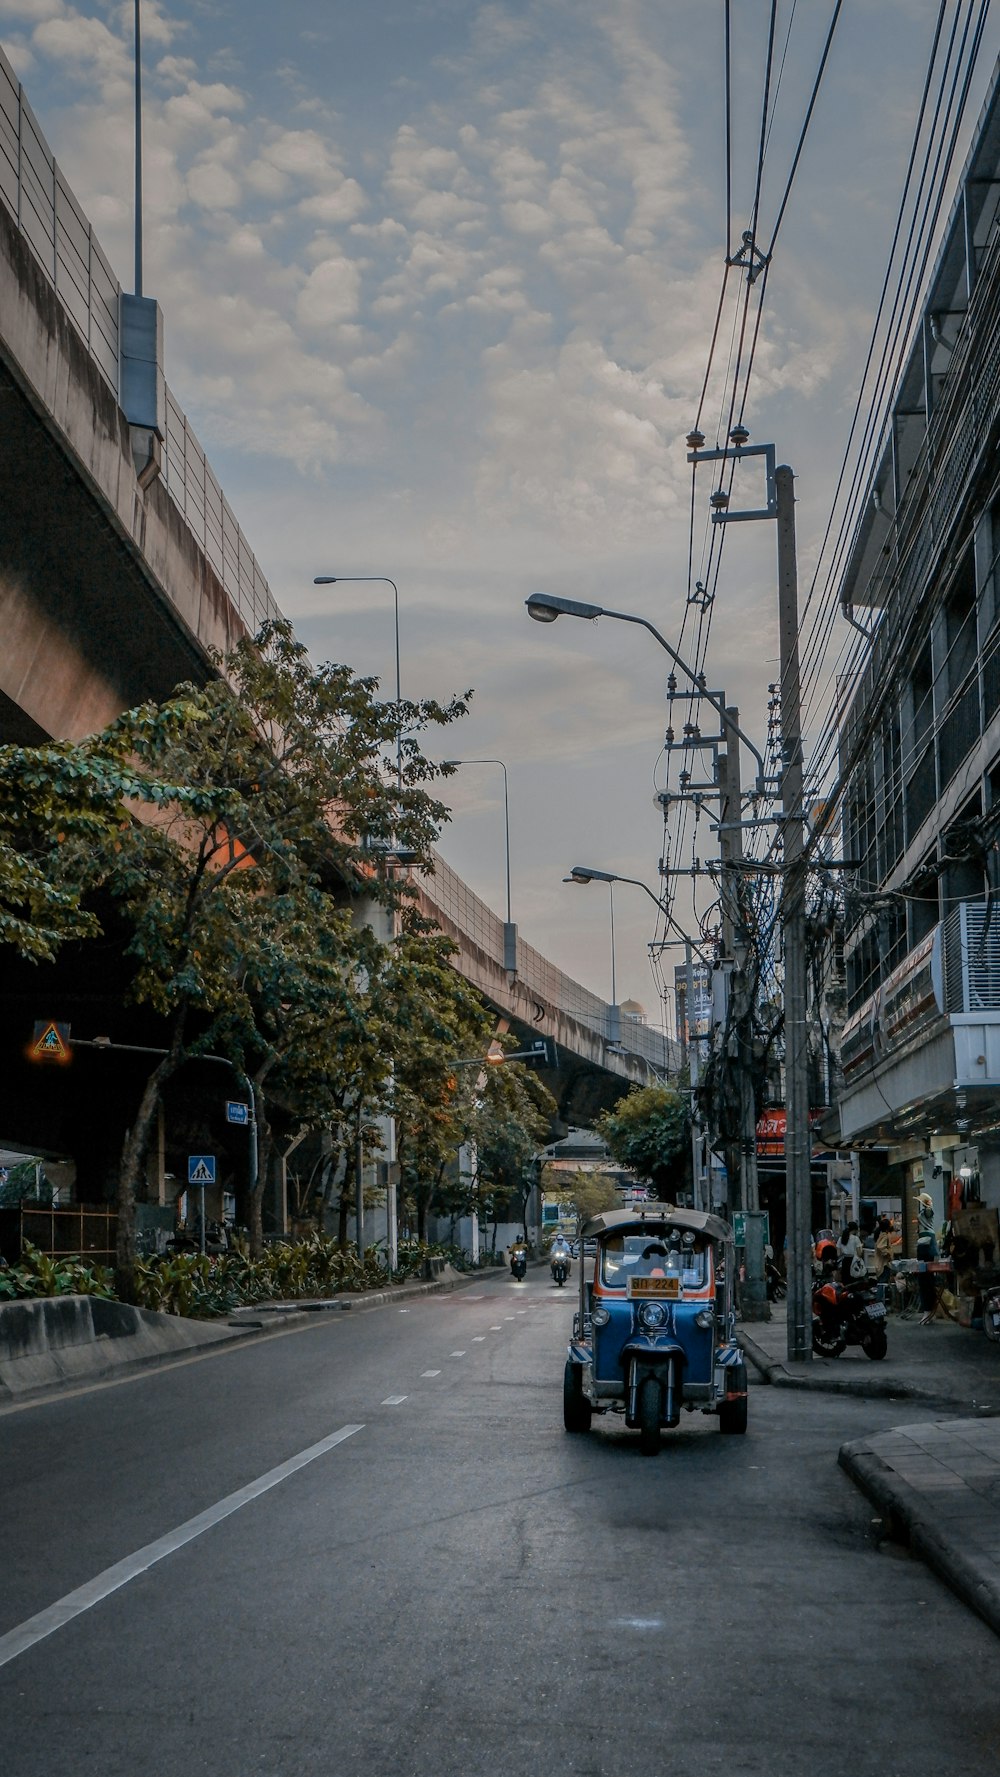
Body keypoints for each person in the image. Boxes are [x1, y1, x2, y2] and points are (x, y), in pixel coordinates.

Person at [837, 1221, 864, 1286]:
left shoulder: (841, 1238)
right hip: (854, 1261)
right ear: (855, 1230)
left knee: (846, 1281)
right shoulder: (855, 1239)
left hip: (845, 1261)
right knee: (854, 1281)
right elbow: (859, 1254)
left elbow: (838, 1253)